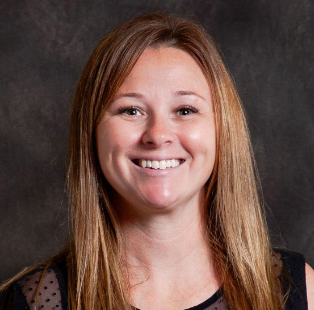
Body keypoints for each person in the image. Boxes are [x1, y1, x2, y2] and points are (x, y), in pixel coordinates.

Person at [0, 12, 313, 310]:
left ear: (222, 130)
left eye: (185, 110)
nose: (158, 135)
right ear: (92, 132)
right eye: (131, 110)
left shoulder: (297, 291)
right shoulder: (35, 302)